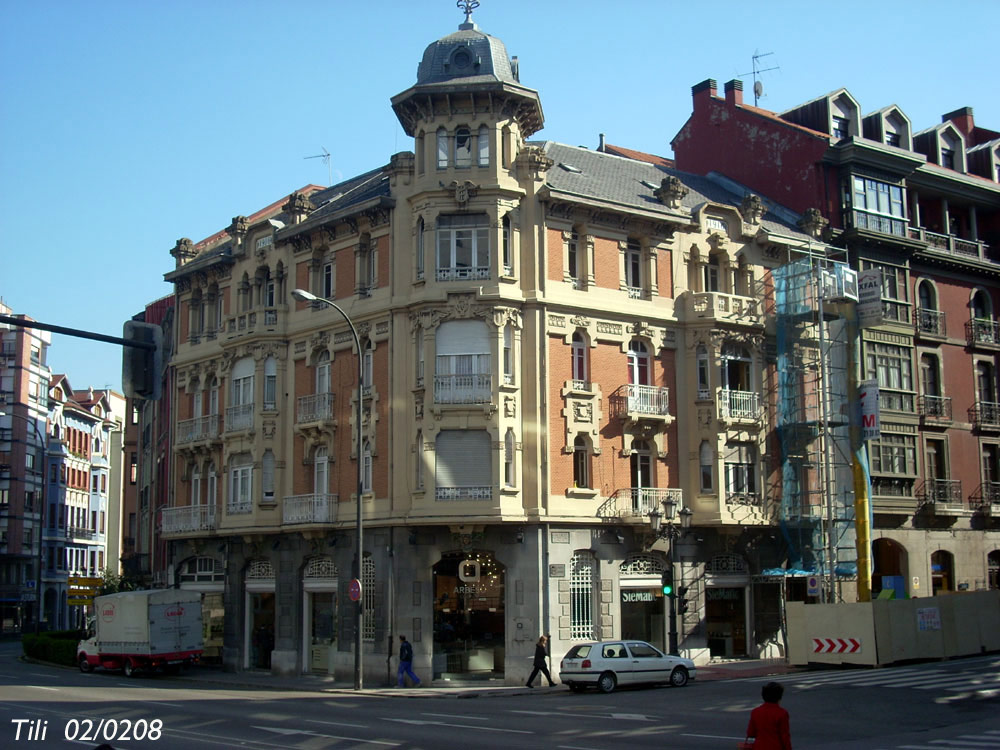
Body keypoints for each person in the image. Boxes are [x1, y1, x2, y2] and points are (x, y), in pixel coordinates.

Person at [746, 681, 792, 750]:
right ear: (779, 697)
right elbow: (785, 736)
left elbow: (750, 733)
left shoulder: (755, 712)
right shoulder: (782, 713)